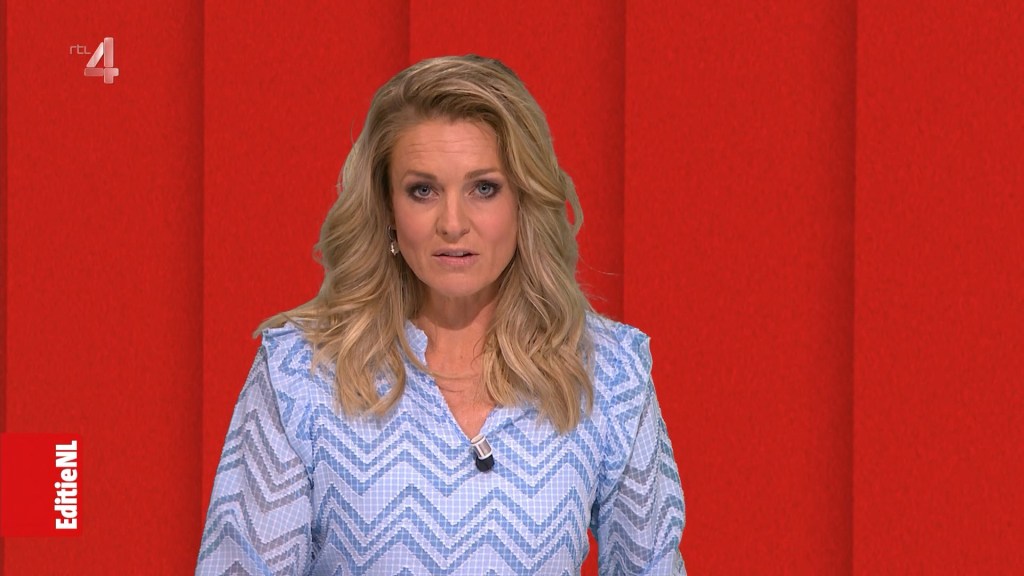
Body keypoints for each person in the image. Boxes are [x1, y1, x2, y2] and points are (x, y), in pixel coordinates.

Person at [195, 54, 685, 575]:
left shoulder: (607, 371)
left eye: (484, 188)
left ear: (523, 202)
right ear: (387, 207)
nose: (453, 223)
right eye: (423, 191)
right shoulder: (301, 372)